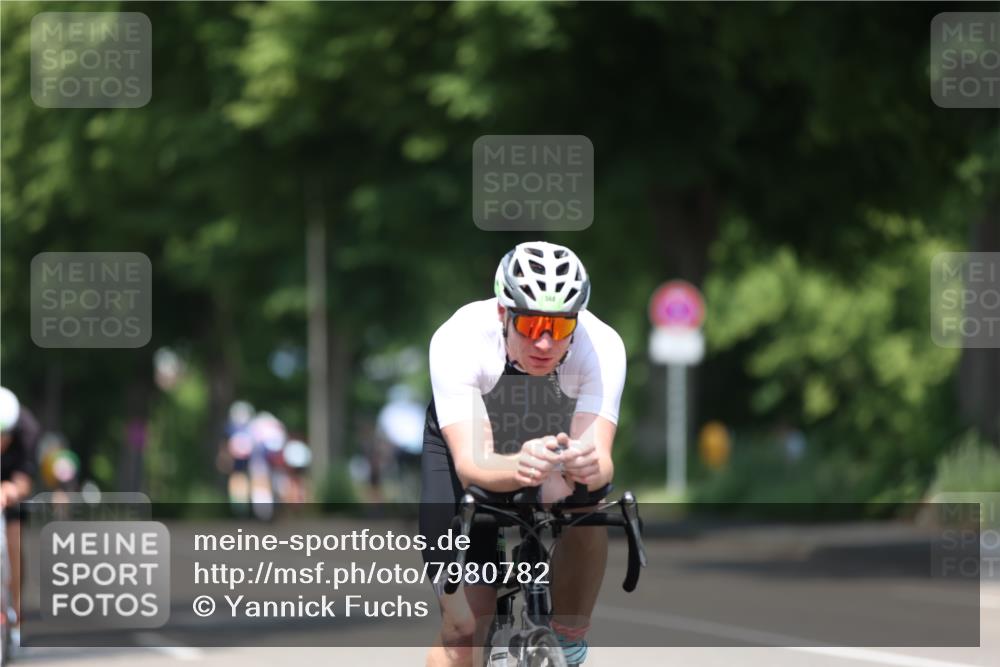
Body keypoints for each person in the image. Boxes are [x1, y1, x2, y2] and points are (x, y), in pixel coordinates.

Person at [420, 241, 626, 667]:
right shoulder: (459, 338)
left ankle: (568, 639)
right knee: (463, 630)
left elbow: (601, 459)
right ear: (503, 312)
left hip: (552, 438)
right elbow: (472, 465)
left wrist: (586, 466)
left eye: (560, 327)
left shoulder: (601, 345)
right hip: (471, 446)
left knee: (588, 496)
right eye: (531, 326)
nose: (546, 343)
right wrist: (518, 464)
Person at [0, 387, 40, 648]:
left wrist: (11, 489)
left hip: (10, 487)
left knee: (13, 539)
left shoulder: (28, 429)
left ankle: (14, 612)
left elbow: (25, 479)